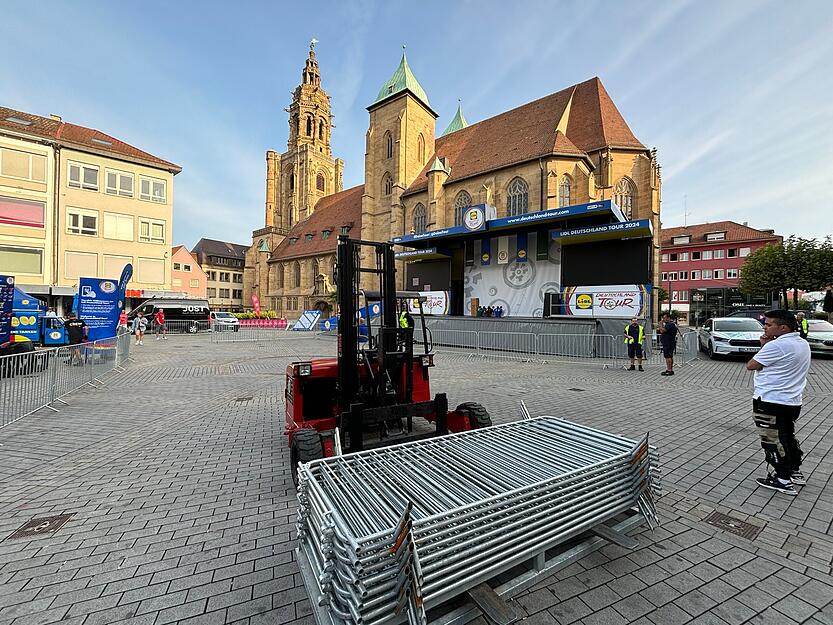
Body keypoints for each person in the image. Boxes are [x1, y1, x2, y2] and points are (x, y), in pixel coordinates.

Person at [746, 310, 811, 495]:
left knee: (772, 440)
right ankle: (793, 470)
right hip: (791, 401)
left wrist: (764, 346)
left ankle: (782, 479)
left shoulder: (777, 346)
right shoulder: (802, 343)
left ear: (782, 327)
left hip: (770, 400)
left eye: (768, 324)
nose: (765, 327)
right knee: (787, 436)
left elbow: (751, 365)